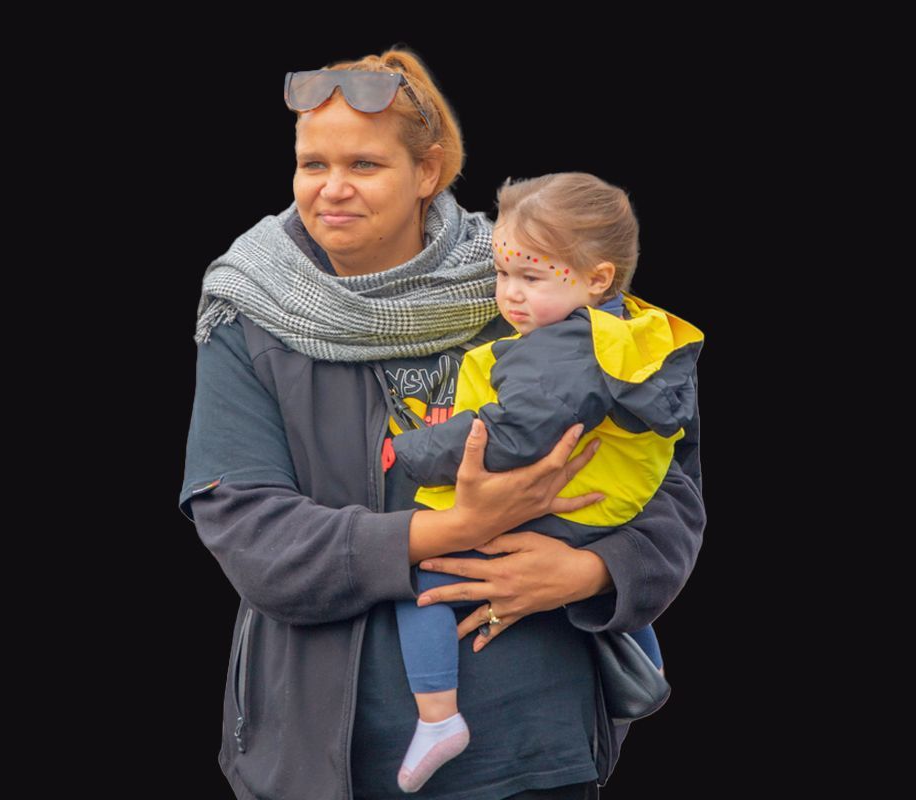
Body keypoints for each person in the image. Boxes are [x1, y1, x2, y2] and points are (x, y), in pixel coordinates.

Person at [178, 46, 705, 800]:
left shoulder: (528, 276)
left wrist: (593, 572)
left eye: (363, 165)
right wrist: (444, 533)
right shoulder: (251, 313)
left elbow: (670, 483)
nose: (329, 190)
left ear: (426, 173)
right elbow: (250, 533)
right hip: (334, 760)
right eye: (311, 164)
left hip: (539, 749)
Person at [388, 172, 703, 793]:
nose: (510, 295)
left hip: (563, 505)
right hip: (612, 504)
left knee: (419, 573)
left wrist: (414, 451)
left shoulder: (558, 351)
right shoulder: (634, 337)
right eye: (502, 275)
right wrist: (606, 572)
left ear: (599, 279)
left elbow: (507, 436)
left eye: (530, 278)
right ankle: (644, 654)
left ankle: (438, 717)